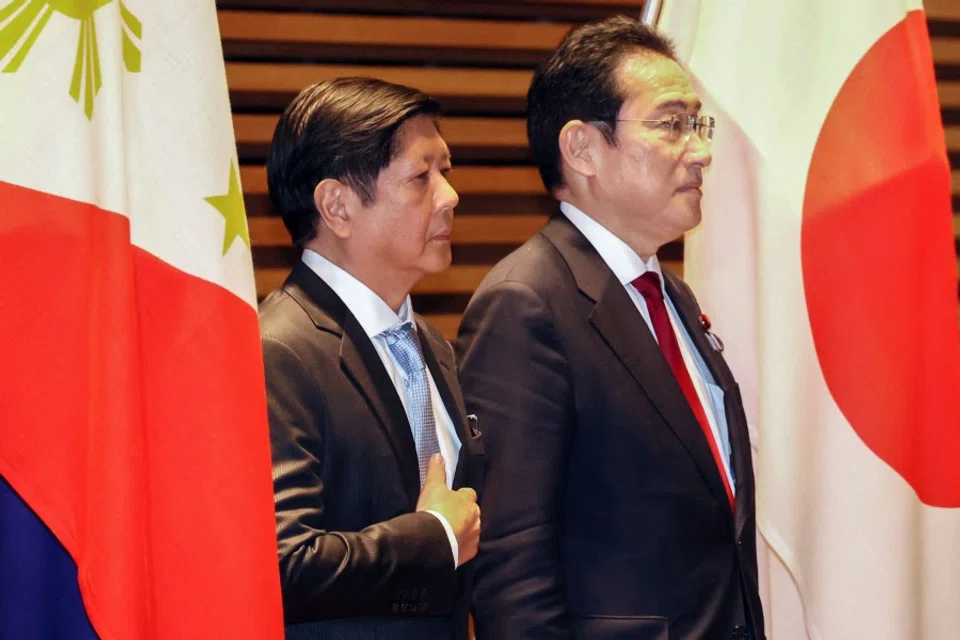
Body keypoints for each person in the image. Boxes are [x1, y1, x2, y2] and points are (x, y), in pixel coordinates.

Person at [456, 16, 764, 640]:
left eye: (695, 125)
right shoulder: (527, 304)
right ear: (582, 149)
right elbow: (512, 571)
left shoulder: (669, 294)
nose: (701, 151)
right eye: (671, 124)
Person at [260, 76, 483, 640]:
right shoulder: (275, 349)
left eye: (446, 172)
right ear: (337, 205)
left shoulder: (429, 344)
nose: (449, 196)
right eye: (420, 177)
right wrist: (433, 537)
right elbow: (282, 565)